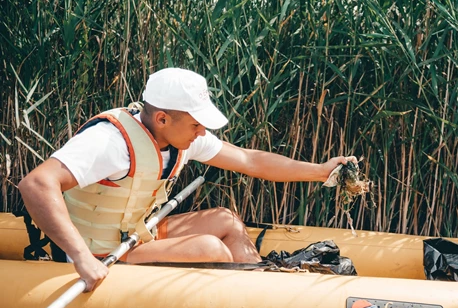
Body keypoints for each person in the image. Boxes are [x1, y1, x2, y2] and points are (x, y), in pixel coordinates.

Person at [18, 68, 355, 292]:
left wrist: (320, 171)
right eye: (197, 124)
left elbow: (251, 159)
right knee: (208, 247)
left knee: (226, 220)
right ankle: (241, 305)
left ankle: (261, 291)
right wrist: (81, 257)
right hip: (100, 251)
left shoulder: (183, 136)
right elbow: (36, 184)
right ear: (162, 118)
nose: (202, 132)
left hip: (135, 235)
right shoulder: (110, 142)